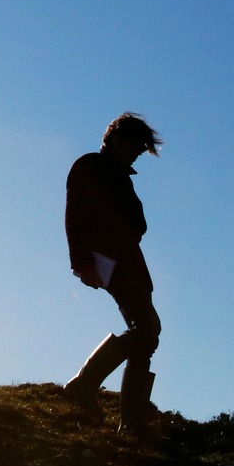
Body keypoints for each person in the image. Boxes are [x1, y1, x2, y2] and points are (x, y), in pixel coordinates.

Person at [61, 113, 164, 434]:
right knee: (146, 329)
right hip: (112, 262)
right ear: (115, 138)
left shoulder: (119, 175)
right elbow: (74, 218)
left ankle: (131, 422)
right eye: (134, 145)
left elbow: (134, 224)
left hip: (126, 262)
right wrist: (82, 262)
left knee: (147, 334)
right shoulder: (90, 167)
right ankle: (86, 386)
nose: (137, 152)